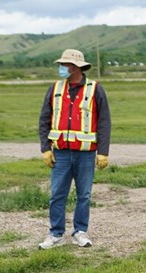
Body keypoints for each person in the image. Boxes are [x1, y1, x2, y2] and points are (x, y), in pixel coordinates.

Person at [37, 49, 112, 249]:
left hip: (86, 154)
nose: (62, 68)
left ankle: (80, 231)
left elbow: (104, 122)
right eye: (61, 64)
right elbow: (44, 120)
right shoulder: (54, 89)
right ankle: (55, 234)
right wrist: (45, 148)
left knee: (84, 194)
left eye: (65, 65)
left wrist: (103, 152)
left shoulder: (95, 89)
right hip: (60, 153)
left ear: (76, 67)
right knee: (57, 194)